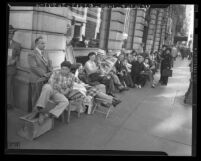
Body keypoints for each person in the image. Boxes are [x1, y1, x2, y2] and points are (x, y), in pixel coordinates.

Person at [7, 25, 21, 109]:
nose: (11, 35)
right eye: (9, 33)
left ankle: (9, 104)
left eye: (12, 33)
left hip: (10, 68)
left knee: (9, 85)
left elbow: (17, 56)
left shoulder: (17, 45)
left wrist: (14, 60)